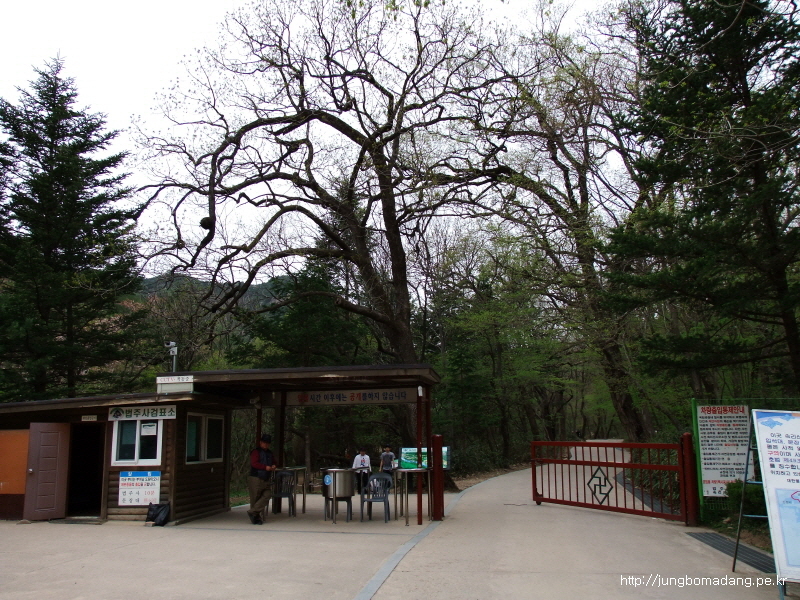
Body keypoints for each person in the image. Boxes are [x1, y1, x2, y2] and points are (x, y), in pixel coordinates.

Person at [247, 433, 277, 525]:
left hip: (265, 478)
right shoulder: (256, 452)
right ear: (260, 442)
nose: (266, 444)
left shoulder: (270, 453)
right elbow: (254, 464)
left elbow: (274, 462)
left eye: (267, 443)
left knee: (267, 495)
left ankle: (253, 512)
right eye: (264, 442)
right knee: (255, 498)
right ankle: (256, 518)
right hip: (256, 477)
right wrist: (265, 467)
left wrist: (274, 465)